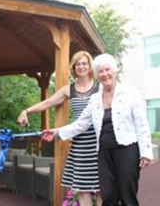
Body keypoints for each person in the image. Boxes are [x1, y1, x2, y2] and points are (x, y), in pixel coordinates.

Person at [42, 53, 153, 206]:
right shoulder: (95, 98)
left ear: (114, 71)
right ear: (96, 74)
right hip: (103, 152)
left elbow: (141, 123)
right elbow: (81, 123)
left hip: (127, 150)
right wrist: (57, 132)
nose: (105, 74)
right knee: (108, 195)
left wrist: (146, 151)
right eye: (100, 71)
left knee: (127, 194)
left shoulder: (129, 92)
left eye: (108, 70)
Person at [18, 51, 102, 206]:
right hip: (80, 144)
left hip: (99, 143)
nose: (81, 67)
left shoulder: (100, 87)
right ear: (74, 68)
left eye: (84, 63)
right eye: (78, 64)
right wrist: (26, 110)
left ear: (90, 66)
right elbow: (47, 103)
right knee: (83, 189)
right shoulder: (69, 90)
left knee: (101, 189)